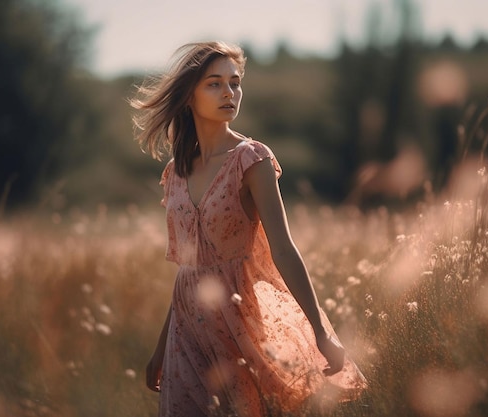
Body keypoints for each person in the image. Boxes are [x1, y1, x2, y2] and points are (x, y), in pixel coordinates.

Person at [131, 41, 366, 417]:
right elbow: (188, 272)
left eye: (235, 82)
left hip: (238, 324)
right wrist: (161, 348)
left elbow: (284, 249)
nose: (229, 92)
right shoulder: (175, 171)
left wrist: (321, 333)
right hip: (185, 335)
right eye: (214, 83)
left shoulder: (251, 159)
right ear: (189, 94)